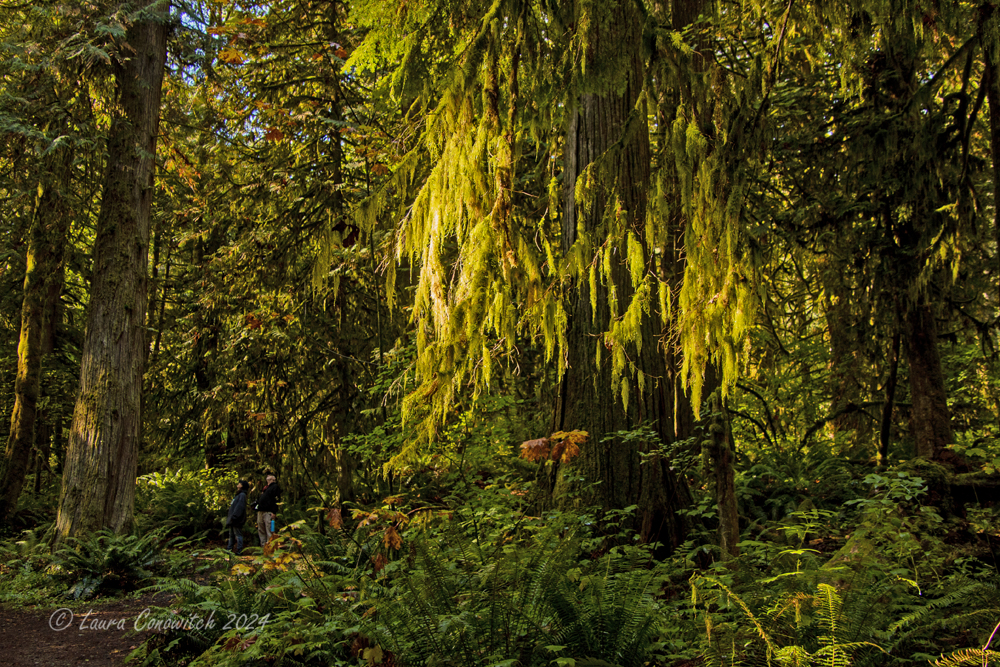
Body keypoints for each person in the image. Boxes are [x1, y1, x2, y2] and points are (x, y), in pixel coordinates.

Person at [254, 471, 281, 546]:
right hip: (261, 511)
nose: (267, 476)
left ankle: (270, 547)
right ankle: (264, 547)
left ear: (273, 478)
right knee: (261, 529)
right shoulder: (265, 488)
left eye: (270, 476)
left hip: (268, 512)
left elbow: (276, 500)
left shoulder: (275, 487)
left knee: (269, 529)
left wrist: (274, 512)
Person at [225, 480, 249, 554]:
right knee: (231, 535)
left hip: (236, 519)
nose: (238, 484)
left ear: (242, 486)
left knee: (238, 534)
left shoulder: (242, 495)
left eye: (239, 483)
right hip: (232, 518)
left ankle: (239, 550)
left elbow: (240, 507)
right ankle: (229, 549)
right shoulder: (238, 495)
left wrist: (235, 516)